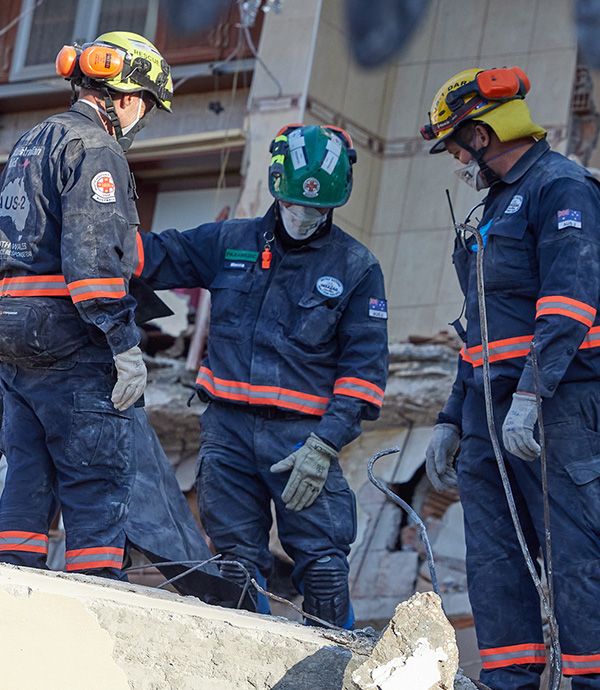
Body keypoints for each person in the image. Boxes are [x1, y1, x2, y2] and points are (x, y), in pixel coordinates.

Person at [137, 124, 389, 627]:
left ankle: (332, 664)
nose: (304, 216)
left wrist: (324, 446)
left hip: (302, 438)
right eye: (295, 205)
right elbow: (151, 255)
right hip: (227, 432)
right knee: (233, 565)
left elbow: (363, 373)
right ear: (277, 191)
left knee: (322, 568)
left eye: (317, 210)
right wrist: (94, 227)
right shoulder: (231, 241)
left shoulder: (357, 267)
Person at [421, 67, 600, 690]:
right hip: (488, 410)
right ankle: (510, 683)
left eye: (452, 145)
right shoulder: (493, 209)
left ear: (479, 132)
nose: (454, 160)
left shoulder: (562, 187)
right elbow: (481, 329)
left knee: (577, 555)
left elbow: (571, 301)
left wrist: (531, 393)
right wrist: (450, 418)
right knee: (496, 561)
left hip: (562, 403)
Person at [0, 31, 172, 579]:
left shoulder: (32, 140)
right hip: (70, 339)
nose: (143, 118)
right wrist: (123, 344)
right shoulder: (97, 148)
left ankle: (13, 589)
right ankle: (94, 604)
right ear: (125, 97)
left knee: (26, 473)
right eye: (146, 105)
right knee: (95, 479)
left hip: (12, 335)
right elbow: (94, 261)